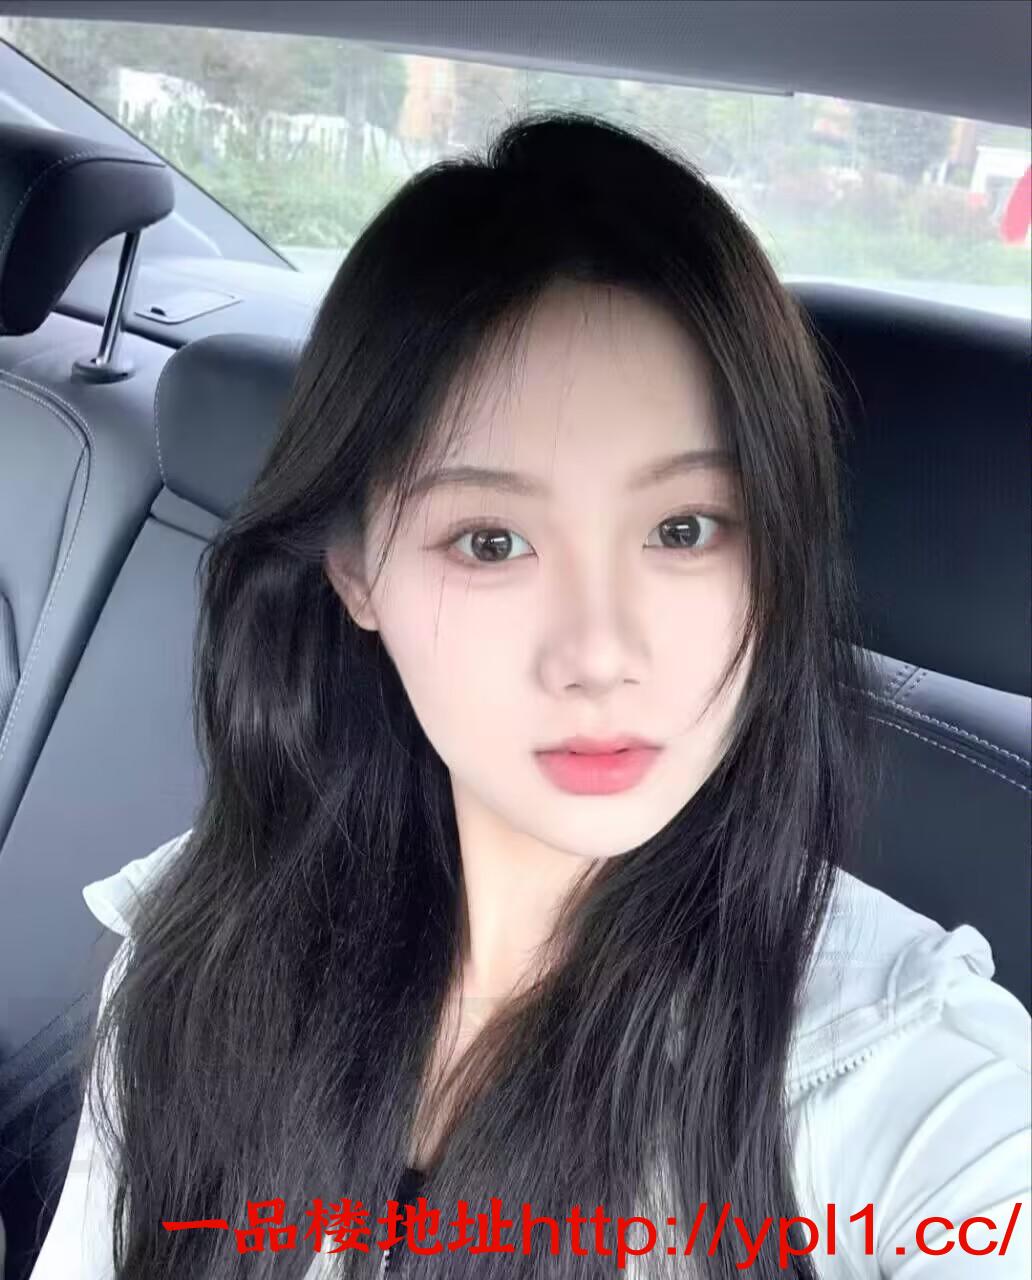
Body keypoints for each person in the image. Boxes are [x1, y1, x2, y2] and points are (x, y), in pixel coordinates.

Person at [29, 113, 1030, 1280]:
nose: (599, 652)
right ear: (356, 569)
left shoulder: (920, 1080)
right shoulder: (201, 951)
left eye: (684, 529)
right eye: (491, 540)